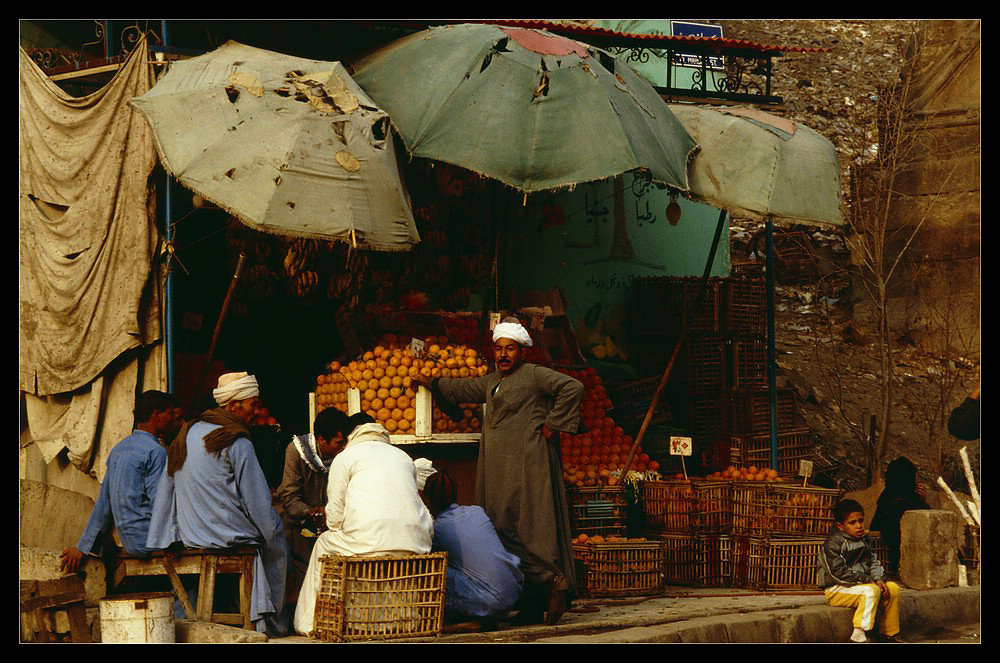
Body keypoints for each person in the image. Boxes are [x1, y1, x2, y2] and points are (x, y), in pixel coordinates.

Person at [416, 317, 584, 626]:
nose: (504, 354)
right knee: (502, 526)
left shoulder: (534, 375)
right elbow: (465, 387)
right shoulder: (493, 381)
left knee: (529, 525)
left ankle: (551, 581)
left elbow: (572, 386)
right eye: (499, 348)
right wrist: (433, 384)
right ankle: (533, 602)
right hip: (498, 466)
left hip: (527, 464)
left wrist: (553, 424)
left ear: (522, 352)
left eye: (510, 349)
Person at [147, 372, 288, 636]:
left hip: (190, 535)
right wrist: (270, 529)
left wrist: (168, 535)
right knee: (277, 534)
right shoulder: (236, 440)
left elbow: (166, 491)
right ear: (234, 406)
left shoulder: (188, 431)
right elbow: (256, 502)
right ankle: (273, 623)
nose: (257, 412)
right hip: (224, 534)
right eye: (253, 405)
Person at [293, 413, 435, 636]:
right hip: (414, 542)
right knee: (372, 545)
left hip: (367, 541)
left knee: (324, 542)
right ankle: (396, 622)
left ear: (352, 435)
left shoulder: (346, 457)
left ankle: (310, 623)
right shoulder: (404, 457)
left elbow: (334, 519)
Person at [59, 390, 184, 574]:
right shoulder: (156, 451)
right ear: (156, 415)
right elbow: (160, 502)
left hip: (131, 542)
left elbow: (104, 503)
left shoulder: (119, 449)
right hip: (150, 542)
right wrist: (171, 541)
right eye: (170, 413)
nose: (173, 418)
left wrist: (82, 547)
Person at [422, 468, 524, 630]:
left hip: (488, 603)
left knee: (430, 568)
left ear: (426, 501)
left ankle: (456, 622)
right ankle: (481, 616)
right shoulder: (478, 512)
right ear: (456, 494)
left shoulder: (438, 529)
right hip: (512, 596)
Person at [275, 407, 352, 606]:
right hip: (300, 527)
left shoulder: (345, 456)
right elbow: (289, 496)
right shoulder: (296, 451)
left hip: (331, 527)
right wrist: (310, 512)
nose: (343, 447)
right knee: (306, 584)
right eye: (339, 442)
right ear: (321, 440)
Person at [818, 498, 903, 643]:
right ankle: (858, 634)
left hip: (861, 586)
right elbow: (838, 574)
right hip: (837, 589)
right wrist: (870, 581)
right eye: (852, 523)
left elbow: (874, 562)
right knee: (871, 591)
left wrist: (878, 579)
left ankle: (888, 634)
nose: (858, 526)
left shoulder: (865, 540)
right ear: (840, 526)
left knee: (893, 589)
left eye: (860, 521)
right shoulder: (834, 543)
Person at [870, 457, 930, 577]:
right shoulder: (901, 503)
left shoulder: (889, 495)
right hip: (894, 561)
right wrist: (922, 504)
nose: (917, 481)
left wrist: (922, 500)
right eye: (914, 476)